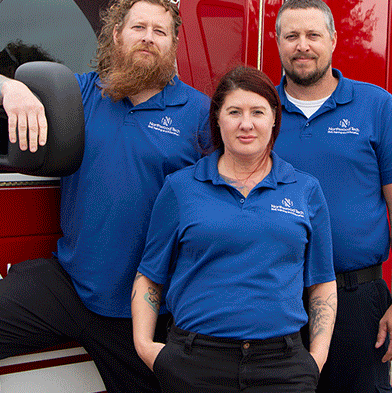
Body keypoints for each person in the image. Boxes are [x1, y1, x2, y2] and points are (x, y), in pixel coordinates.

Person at [0, 0, 210, 393]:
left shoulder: (199, 112)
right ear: (117, 35)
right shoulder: (79, 93)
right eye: (138, 27)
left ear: (172, 44)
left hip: (146, 306)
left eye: (159, 30)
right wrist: (12, 89)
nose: (148, 38)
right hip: (72, 282)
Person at [132, 66, 337, 393]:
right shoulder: (181, 188)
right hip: (195, 364)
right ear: (217, 118)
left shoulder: (305, 190)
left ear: (274, 118)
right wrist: (145, 346)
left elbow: (322, 282)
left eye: (258, 111)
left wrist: (316, 358)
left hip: (282, 367)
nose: (246, 123)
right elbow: (150, 275)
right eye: (234, 112)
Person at [272, 0, 392, 393]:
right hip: (275, 298)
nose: (302, 45)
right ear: (278, 44)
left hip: (356, 299)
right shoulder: (261, 111)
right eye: (291, 36)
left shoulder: (376, 106)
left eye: (312, 35)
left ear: (334, 40)